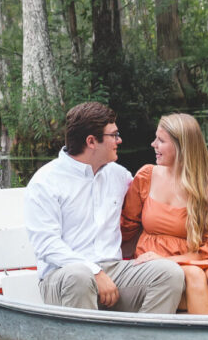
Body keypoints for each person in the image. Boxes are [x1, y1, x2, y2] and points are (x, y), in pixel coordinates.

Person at [25, 102, 185, 313]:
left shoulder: (119, 176)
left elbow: (155, 204)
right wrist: (94, 272)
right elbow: (46, 245)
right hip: (63, 276)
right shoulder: (45, 182)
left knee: (169, 273)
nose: (119, 140)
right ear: (91, 141)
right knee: (79, 277)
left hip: (115, 271)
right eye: (114, 135)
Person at [120, 113, 208, 316]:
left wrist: (171, 261)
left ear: (182, 147)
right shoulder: (146, 177)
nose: (153, 144)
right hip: (156, 271)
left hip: (195, 260)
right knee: (193, 275)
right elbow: (125, 228)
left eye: (161, 140)